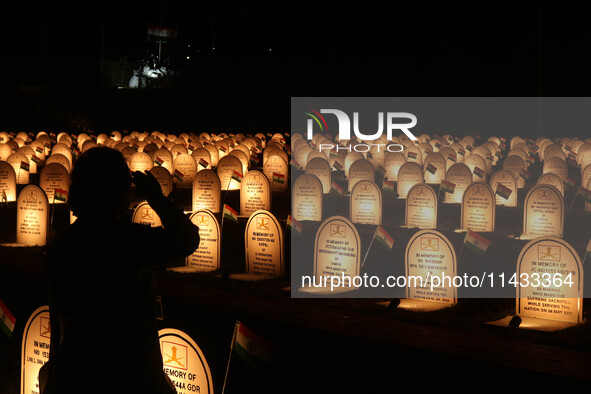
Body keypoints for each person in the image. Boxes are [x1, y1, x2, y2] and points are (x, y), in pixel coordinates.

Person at [43, 147, 199, 393]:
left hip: (78, 372)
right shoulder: (126, 242)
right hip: (129, 375)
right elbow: (186, 240)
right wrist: (156, 198)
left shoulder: (65, 242)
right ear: (117, 192)